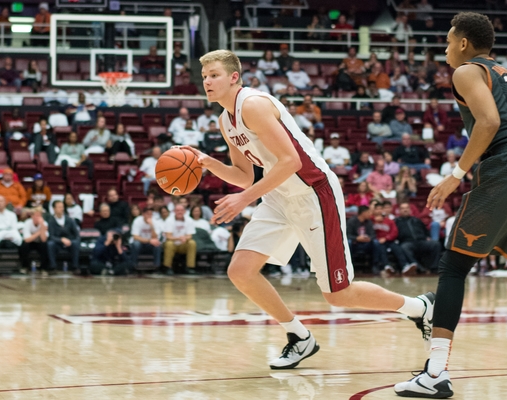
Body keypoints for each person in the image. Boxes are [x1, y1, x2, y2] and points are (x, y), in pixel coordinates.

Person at [185, 49, 434, 370]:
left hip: (314, 193)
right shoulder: (224, 120)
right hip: (278, 196)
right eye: (204, 76)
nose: (207, 81)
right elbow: (244, 176)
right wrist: (208, 163)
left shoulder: (254, 105)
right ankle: (299, 337)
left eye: (214, 75)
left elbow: (292, 161)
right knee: (241, 271)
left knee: (338, 293)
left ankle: (418, 307)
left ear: (234, 77)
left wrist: (245, 199)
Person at [394, 12, 507, 398]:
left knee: (455, 265)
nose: (444, 48)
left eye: (446, 41)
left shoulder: (466, 72)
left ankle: (435, 373)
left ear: (462, 43)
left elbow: (488, 122)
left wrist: (455, 174)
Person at [346, 205, 390, 273]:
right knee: (348, 242)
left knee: (376, 243)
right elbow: (347, 235)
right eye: (368, 212)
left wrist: (369, 238)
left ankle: (375, 265)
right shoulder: (351, 221)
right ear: (363, 213)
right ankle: (348, 265)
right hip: (355, 244)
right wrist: (357, 238)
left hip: (366, 243)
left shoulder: (369, 222)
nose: (370, 214)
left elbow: (373, 235)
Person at [162, 204, 196, 274]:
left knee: (192, 243)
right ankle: (168, 267)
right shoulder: (169, 220)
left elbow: (190, 236)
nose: (179, 212)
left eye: (181, 210)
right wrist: (179, 238)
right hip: (173, 243)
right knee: (169, 244)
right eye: (177, 210)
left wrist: (184, 238)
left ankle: (190, 267)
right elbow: (168, 236)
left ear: (184, 211)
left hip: (183, 244)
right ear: (174, 211)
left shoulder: (189, 220)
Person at [48, 200, 80, 273]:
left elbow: (76, 234)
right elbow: (51, 236)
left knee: (76, 243)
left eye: (62, 207)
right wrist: (61, 240)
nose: (61, 209)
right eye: (59, 207)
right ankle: (53, 267)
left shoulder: (69, 219)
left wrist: (72, 241)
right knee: (50, 244)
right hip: (58, 242)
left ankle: (75, 267)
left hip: (69, 241)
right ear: (54, 209)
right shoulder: (51, 221)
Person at [19, 208, 49, 273]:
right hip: (30, 243)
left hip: (39, 243)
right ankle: (25, 267)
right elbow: (27, 239)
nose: (39, 217)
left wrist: (42, 225)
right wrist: (39, 232)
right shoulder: (27, 223)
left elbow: (44, 239)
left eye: (40, 215)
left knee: (45, 245)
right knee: (24, 245)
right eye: (37, 215)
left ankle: (43, 268)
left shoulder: (44, 223)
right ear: (32, 216)